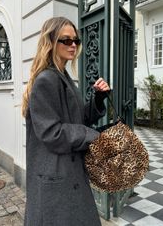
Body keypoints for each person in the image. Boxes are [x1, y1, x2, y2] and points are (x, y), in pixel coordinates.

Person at [22, 17, 110, 226]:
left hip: (68, 173)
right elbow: (52, 133)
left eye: (76, 41)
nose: (73, 45)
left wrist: (97, 99)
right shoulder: (47, 80)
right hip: (56, 175)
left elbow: (77, 119)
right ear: (51, 41)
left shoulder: (63, 76)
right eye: (66, 40)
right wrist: (93, 136)